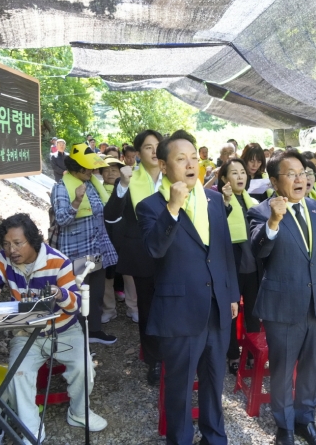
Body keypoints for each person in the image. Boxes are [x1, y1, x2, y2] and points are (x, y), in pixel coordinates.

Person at [137, 130, 240, 445]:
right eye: (181, 159)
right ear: (164, 166)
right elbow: (154, 250)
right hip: (180, 312)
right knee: (180, 387)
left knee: (213, 380)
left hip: (217, 306)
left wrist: (232, 293)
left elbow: (223, 251)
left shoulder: (212, 199)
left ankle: (214, 436)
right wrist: (172, 208)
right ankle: (179, 439)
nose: (190, 163)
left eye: (194, 157)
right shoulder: (150, 206)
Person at [248, 150, 316, 445]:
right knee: (283, 370)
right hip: (283, 306)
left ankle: (305, 420)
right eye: (291, 174)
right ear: (274, 181)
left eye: (303, 172)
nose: (300, 179)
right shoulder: (261, 212)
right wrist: (274, 221)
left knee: (312, 366)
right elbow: (258, 250)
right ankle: (284, 426)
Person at [0, 214, 107, 442]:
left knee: (84, 368)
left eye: (17, 243)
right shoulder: (3, 259)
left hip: (64, 330)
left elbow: (77, 304)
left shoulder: (59, 262)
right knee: (18, 374)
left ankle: (79, 413)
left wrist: (60, 293)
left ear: (33, 240)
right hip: (26, 332)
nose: (11, 249)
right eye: (6, 244)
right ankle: (31, 429)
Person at [103, 129, 164, 385]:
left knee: (172, 307)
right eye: (148, 147)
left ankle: (175, 353)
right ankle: (154, 360)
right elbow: (110, 216)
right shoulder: (129, 179)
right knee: (148, 310)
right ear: (137, 154)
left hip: (174, 256)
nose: (154, 151)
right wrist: (123, 186)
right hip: (143, 256)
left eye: (158, 146)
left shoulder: (174, 178)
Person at [51, 144, 118, 346]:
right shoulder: (62, 187)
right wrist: (76, 202)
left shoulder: (90, 184)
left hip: (95, 249)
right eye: (87, 168)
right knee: (80, 294)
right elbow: (61, 220)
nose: (91, 171)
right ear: (76, 168)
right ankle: (77, 338)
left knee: (95, 291)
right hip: (77, 252)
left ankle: (94, 330)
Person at [217, 158, 261, 375]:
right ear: (224, 178)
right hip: (231, 264)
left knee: (253, 313)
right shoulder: (218, 202)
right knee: (231, 312)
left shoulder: (253, 202)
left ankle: (253, 353)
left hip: (252, 265)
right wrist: (225, 201)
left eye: (242, 172)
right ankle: (233, 354)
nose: (240, 176)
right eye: (234, 173)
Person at [98, 157, 138, 324]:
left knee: (129, 274)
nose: (111, 172)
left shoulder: (130, 188)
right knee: (107, 275)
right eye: (106, 169)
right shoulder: (95, 188)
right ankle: (109, 309)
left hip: (124, 237)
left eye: (115, 169)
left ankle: (133, 308)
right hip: (104, 237)